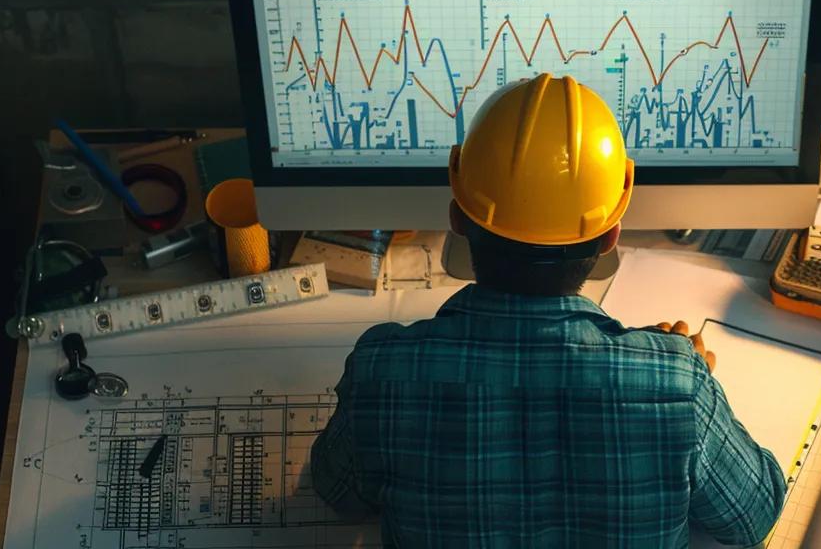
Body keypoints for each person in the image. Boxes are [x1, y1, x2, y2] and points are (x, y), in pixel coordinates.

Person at [309, 74, 786, 547]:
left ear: (457, 216)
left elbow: (338, 493)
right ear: (610, 235)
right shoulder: (678, 383)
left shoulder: (382, 370)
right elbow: (754, 516)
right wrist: (693, 386)